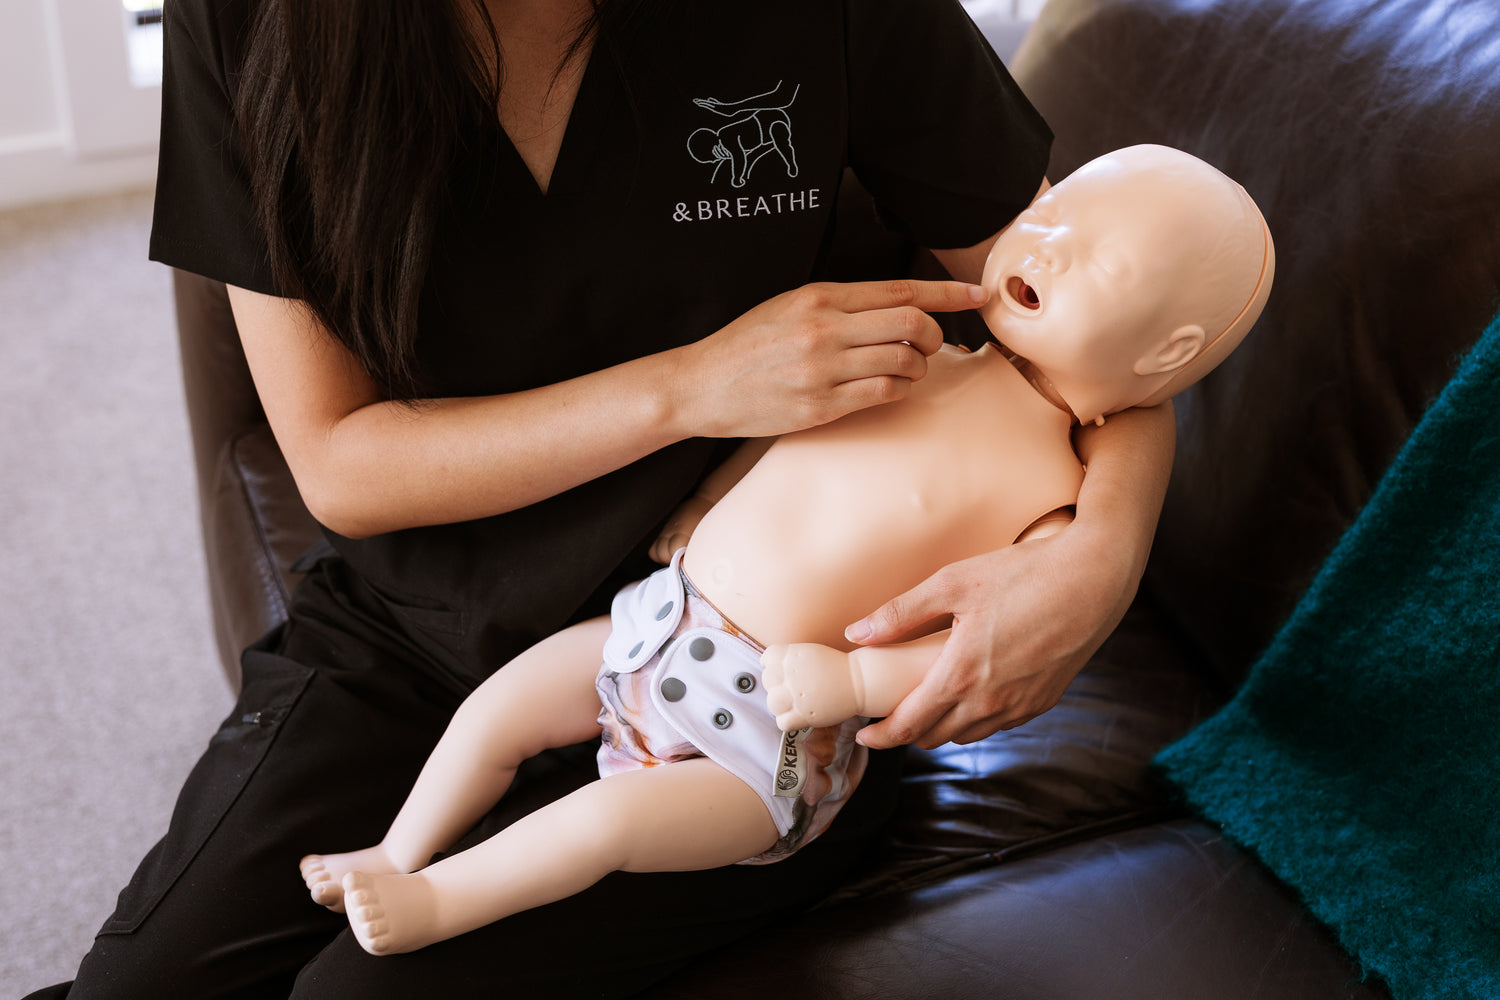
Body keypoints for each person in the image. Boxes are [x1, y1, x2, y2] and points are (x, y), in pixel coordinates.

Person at [30, 0, 1178, 997]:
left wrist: (1102, 558)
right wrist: (692, 386)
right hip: (416, 627)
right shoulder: (252, 18)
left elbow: (1104, 324)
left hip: (756, 689)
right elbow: (339, 463)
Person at [296, 143, 1274, 958]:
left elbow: (973, 642)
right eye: (1053, 213)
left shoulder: (1053, 503)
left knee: (604, 826)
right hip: (661, 620)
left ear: (1164, 354)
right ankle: (397, 851)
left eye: (1102, 262)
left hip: (767, 745)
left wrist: (854, 682)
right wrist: (707, 501)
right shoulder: (921, 354)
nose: (1050, 246)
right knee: (496, 708)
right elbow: (790, 429)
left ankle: (437, 902)